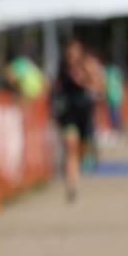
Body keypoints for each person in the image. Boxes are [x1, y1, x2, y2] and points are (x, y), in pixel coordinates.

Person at [51, 38, 102, 202]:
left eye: (75, 52)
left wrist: (86, 79)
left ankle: (89, 154)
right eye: (69, 53)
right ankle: (71, 185)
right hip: (69, 114)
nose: (72, 56)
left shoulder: (87, 66)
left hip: (85, 113)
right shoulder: (62, 69)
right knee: (70, 148)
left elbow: (99, 87)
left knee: (83, 152)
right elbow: (55, 89)